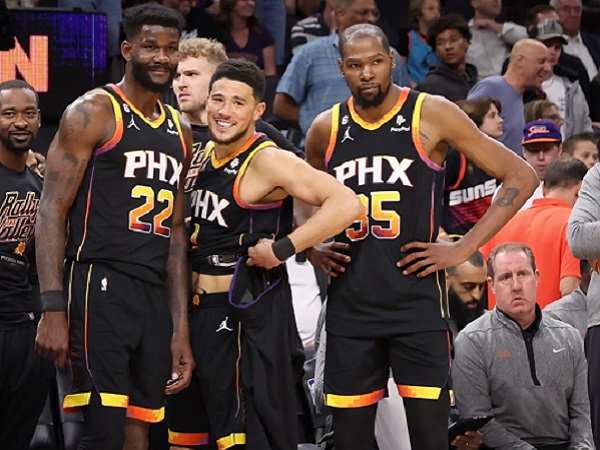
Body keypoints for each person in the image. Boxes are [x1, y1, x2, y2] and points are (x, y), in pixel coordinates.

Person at [304, 23, 538, 450]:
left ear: (392, 60)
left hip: (417, 304)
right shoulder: (325, 127)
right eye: (355, 65)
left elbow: (520, 175)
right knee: (350, 440)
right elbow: (304, 193)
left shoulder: (431, 112)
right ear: (341, 69)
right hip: (349, 307)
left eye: (376, 62)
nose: (368, 73)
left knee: (431, 438)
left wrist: (466, 247)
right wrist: (309, 244)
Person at [34, 4, 194, 449]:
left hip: (151, 293)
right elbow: (50, 211)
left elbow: (177, 235)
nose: (162, 57)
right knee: (103, 429)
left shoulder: (180, 129)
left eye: (170, 49)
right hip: (97, 280)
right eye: (150, 47)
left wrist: (179, 327)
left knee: (141, 429)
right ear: (127, 50)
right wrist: (52, 307)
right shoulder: (94, 111)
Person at [183, 58, 363, 449]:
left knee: (245, 433)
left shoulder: (268, 158)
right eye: (218, 100)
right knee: (190, 432)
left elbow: (347, 204)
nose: (225, 111)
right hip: (195, 310)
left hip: (243, 312)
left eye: (237, 102)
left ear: (258, 111)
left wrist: (285, 249)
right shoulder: (201, 153)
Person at [453, 242, 594, 449]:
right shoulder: (472, 340)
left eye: (523, 274)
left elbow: (583, 413)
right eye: (505, 277)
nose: (516, 286)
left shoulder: (570, 338)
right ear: (491, 285)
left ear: (536, 277)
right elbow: (480, 420)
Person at [0, 79, 54, 450]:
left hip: (26, 331)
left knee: (17, 435)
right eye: (8, 114)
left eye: (28, 113)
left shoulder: (41, 183)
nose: (20, 122)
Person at [274, 0, 410, 141]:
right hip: (323, 148)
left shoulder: (389, 55)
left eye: (375, 13)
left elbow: (405, 103)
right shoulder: (309, 53)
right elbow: (281, 106)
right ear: (340, 14)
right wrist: (316, 126)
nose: (371, 18)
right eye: (363, 12)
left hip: (379, 144)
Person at [481, 157, 587, 308]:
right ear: (580, 192)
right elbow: (570, 289)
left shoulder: (503, 224)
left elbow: (477, 278)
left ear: (543, 189)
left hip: (500, 328)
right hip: (550, 328)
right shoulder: (574, 226)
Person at [468, 38, 552, 156]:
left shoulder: (520, 96)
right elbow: (465, 130)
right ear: (520, 61)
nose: (548, 68)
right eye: (541, 61)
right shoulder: (491, 87)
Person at [442, 97, 502, 237]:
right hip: (459, 239)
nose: (500, 120)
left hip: (492, 235)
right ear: (474, 122)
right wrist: (440, 233)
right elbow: (429, 198)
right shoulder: (454, 157)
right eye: (492, 116)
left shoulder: (499, 153)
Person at [533, 18, 592, 140]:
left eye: (557, 47)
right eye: (547, 45)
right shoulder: (525, 86)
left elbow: (586, 125)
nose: (553, 52)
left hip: (570, 153)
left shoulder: (572, 85)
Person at [416, 13, 477, 103]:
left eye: (453, 40)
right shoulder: (431, 86)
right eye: (441, 43)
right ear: (436, 51)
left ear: (466, 42)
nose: (448, 47)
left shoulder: (474, 80)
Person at [465, 0, 527, 80]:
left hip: (505, 84)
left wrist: (491, 24)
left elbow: (526, 38)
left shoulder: (506, 29)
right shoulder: (464, 32)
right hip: (475, 86)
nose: (497, 1)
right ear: (475, 3)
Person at [216, 0, 276, 75]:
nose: (251, 3)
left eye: (253, 0)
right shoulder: (216, 32)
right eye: (245, 0)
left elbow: (270, 72)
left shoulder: (261, 33)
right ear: (230, 3)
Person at [550, 0, 600, 81]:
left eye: (577, 10)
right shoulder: (549, 45)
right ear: (554, 13)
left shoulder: (596, 42)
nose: (573, 14)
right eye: (566, 9)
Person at [397, 0, 441, 85]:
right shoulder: (408, 39)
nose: (436, 13)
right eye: (431, 9)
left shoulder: (443, 39)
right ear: (418, 14)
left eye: (438, 9)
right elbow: (400, 69)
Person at [447, 251, 487, 334]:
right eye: (468, 287)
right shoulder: (429, 327)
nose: (477, 296)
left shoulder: (493, 328)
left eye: (481, 286)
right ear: (447, 281)